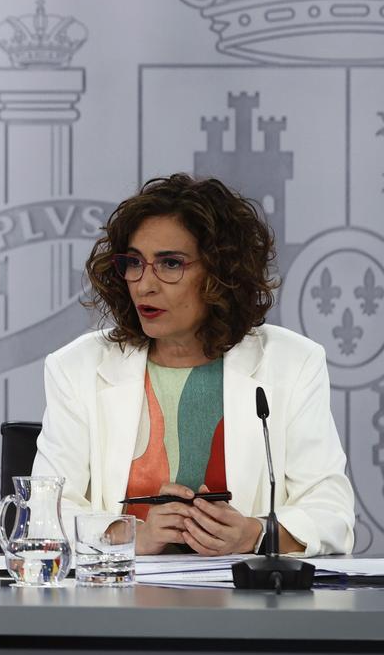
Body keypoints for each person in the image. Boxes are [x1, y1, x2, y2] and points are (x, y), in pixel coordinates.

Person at [33, 174, 354, 556]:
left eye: (170, 263)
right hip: (117, 604)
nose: (144, 285)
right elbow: (43, 515)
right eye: (134, 263)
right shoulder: (77, 367)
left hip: (246, 610)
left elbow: (332, 513)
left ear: (221, 274)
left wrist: (254, 535)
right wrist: (129, 534)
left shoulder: (292, 363)